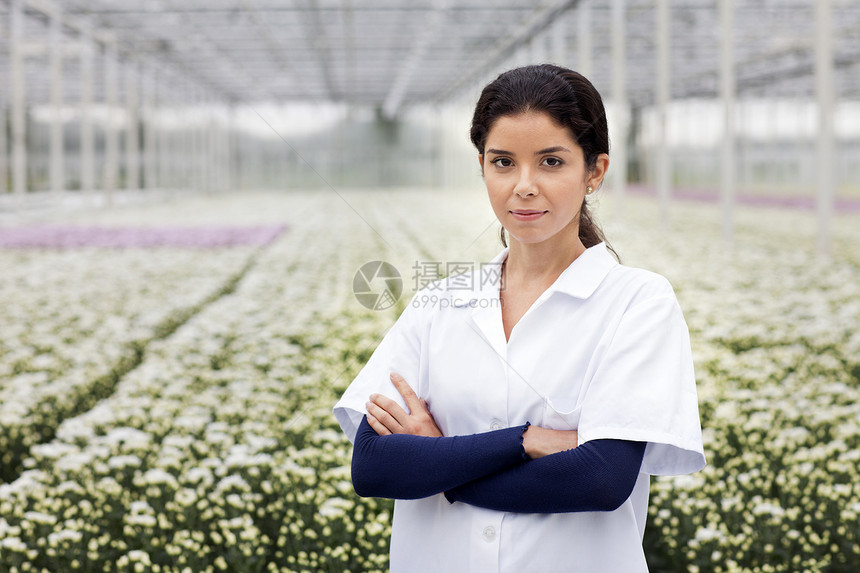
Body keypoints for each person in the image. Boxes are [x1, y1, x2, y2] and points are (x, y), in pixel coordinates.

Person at [333, 64, 705, 573]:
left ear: (594, 172)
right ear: (483, 167)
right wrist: (526, 441)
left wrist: (439, 462)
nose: (524, 186)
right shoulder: (440, 303)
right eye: (503, 161)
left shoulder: (637, 302)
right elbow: (374, 466)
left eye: (551, 161)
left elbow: (601, 479)